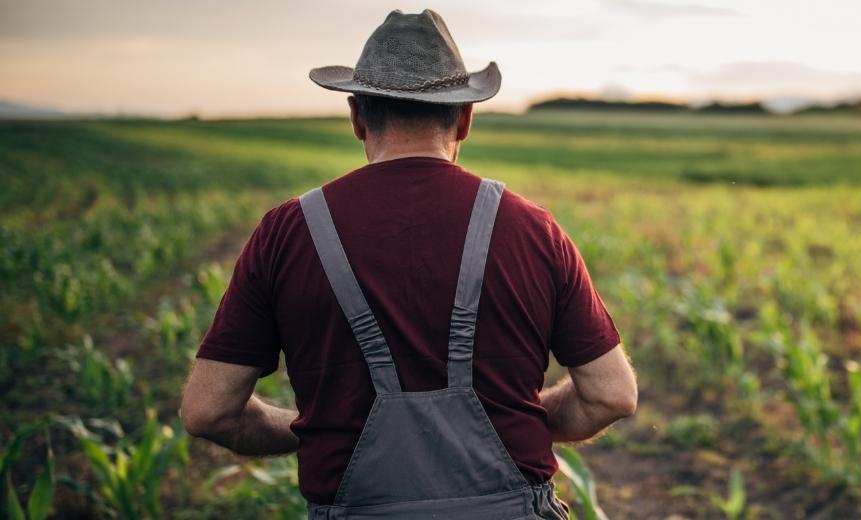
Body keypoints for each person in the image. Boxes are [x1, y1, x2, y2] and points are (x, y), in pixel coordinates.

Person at [179, 9, 637, 519]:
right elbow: (610, 395)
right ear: (465, 117)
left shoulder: (288, 232)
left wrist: (310, 427)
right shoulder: (533, 229)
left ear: (356, 117)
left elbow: (208, 411)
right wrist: (521, 416)